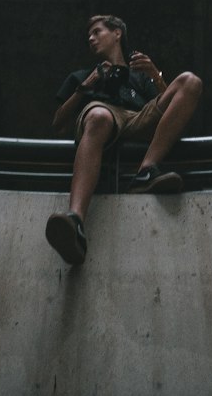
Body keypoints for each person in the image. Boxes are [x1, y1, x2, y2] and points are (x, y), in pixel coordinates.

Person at [45, 14, 203, 266]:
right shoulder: (84, 75)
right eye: (89, 35)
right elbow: (57, 122)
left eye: (97, 32)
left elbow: (174, 107)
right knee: (98, 116)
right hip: (103, 116)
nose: (91, 38)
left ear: (117, 33)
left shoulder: (140, 76)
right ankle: (75, 221)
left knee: (190, 82)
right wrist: (85, 87)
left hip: (138, 117)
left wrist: (155, 74)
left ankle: (146, 171)